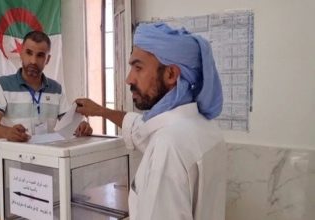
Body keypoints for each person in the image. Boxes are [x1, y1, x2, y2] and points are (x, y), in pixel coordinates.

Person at [75, 22, 227, 220]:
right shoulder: (205, 127)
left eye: (138, 68)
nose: (129, 79)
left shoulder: (168, 144)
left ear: (171, 74)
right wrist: (100, 111)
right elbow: (141, 129)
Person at [0, 30, 92, 142]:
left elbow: (69, 123)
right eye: (29, 53)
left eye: (40, 55)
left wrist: (81, 126)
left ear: (47, 59)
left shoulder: (56, 89)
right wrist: (7, 132)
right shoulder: (2, 85)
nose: (33, 61)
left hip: (48, 154)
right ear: (21, 54)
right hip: (15, 155)